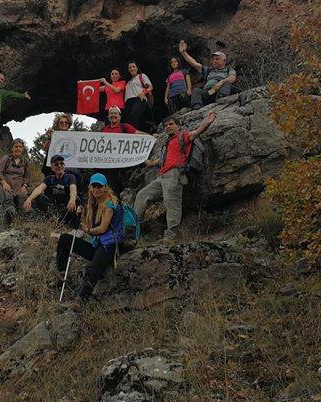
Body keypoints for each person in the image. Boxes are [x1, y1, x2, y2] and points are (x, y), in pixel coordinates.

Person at [134, 111, 217, 241]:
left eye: (171, 124)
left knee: (171, 201)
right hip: (162, 176)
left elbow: (196, 132)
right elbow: (162, 159)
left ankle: (172, 234)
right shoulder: (168, 142)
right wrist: (151, 163)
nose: (167, 127)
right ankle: (134, 226)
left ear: (178, 126)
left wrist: (209, 121)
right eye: (165, 125)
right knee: (142, 194)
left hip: (175, 173)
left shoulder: (182, 136)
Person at [55, 173, 125, 300]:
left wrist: (88, 230)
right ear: (90, 187)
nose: (96, 189)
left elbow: (102, 228)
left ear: (105, 188)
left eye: (99, 186)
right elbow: (87, 226)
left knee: (92, 269)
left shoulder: (110, 204)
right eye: (94, 186)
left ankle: (80, 300)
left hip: (110, 246)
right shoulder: (94, 204)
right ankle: (61, 275)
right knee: (65, 239)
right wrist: (81, 215)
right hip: (98, 244)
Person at [23, 154, 81, 229]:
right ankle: (50, 220)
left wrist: (72, 199)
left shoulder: (70, 177)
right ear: (52, 168)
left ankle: (72, 227)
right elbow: (39, 189)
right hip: (53, 209)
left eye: (62, 163)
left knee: (77, 199)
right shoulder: (50, 178)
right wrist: (29, 199)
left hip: (67, 208)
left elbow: (73, 189)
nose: (59, 166)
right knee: (38, 196)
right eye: (56, 164)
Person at [179, 40, 236, 110]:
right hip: (210, 92)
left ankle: (221, 102)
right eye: (213, 59)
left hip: (220, 91)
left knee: (227, 84)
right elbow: (195, 64)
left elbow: (232, 78)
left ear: (224, 61)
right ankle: (197, 108)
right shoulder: (209, 71)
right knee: (197, 91)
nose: (214, 61)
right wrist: (184, 53)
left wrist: (221, 82)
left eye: (217, 59)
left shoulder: (228, 70)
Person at [0, 138, 31, 221]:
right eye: (16, 147)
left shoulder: (25, 161)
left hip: (18, 186)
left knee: (23, 198)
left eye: (20, 147)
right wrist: (4, 183)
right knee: (8, 198)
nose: (18, 148)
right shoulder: (6, 158)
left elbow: (27, 176)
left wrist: (25, 186)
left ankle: (28, 217)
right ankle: (10, 215)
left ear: (22, 149)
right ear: (12, 148)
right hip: (6, 184)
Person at [123, 61, 153, 131]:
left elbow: (150, 87)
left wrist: (144, 93)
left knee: (133, 115)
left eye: (133, 67)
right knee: (129, 120)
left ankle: (137, 134)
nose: (132, 68)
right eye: (130, 67)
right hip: (128, 102)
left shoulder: (141, 76)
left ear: (137, 68)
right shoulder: (128, 81)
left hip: (139, 99)